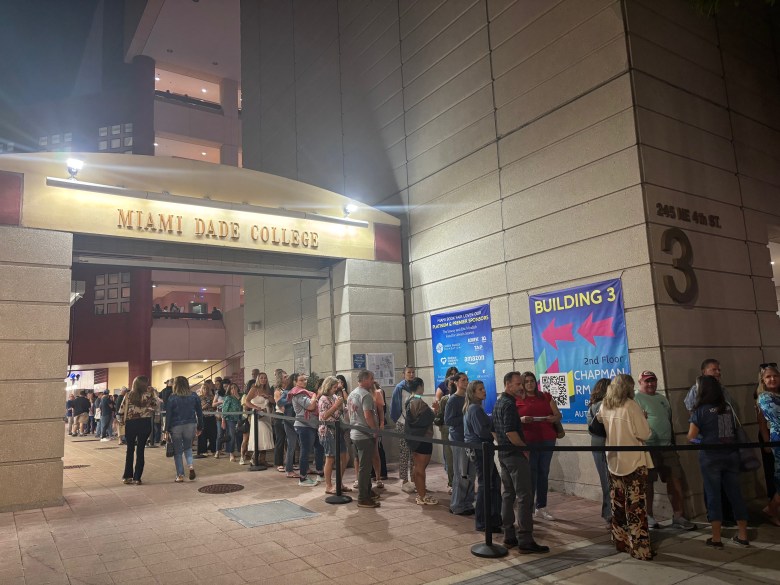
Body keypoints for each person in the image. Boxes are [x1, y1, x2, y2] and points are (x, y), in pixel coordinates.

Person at [689, 375, 750, 548]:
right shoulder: (726, 408)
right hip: (730, 456)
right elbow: (726, 435)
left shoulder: (699, 411)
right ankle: (743, 535)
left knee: (713, 495)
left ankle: (716, 538)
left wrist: (704, 442)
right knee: (735, 494)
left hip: (710, 458)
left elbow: (691, 437)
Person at [597, 374, 653, 560]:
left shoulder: (605, 405)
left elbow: (598, 421)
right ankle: (640, 548)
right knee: (636, 507)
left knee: (618, 504)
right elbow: (644, 433)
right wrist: (643, 419)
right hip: (634, 462)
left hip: (614, 461)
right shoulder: (631, 406)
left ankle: (620, 541)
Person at [493, 371, 549, 553]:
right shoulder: (509, 404)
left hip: (503, 453)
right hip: (514, 455)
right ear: (508, 385)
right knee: (524, 496)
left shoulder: (498, 402)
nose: (521, 387)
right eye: (518, 384)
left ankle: (509, 535)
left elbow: (494, 430)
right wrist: (524, 448)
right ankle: (525, 539)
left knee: (508, 494)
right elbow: (510, 432)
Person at [633, 370, 696, 530]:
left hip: (667, 447)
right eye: (647, 381)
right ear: (640, 382)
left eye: (653, 381)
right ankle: (648, 516)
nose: (650, 384)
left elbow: (668, 419)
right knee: (648, 484)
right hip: (648, 448)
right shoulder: (635, 399)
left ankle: (678, 516)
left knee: (675, 480)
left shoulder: (662, 399)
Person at [516, 371, 561, 521]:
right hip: (529, 440)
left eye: (532, 381)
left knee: (543, 472)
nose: (530, 384)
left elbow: (558, 415)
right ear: (522, 383)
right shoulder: (517, 399)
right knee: (531, 473)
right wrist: (521, 419)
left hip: (547, 438)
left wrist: (552, 418)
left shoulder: (545, 396)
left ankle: (541, 506)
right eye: (527, 381)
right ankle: (528, 507)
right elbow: (512, 419)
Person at [464, 379, 502, 533]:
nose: (484, 391)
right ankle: (483, 521)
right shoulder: (475, 409)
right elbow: (482, 432)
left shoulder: (474, 408)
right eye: (480, 389)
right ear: (473, 393)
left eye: (484, 388)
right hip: (480, 450)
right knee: (486, 485)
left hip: (481, 449)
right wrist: (493, 436)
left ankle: (491, 519)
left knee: (492, 482)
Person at [118, 376, 159, 485]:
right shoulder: (149, 395)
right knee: (141, 450)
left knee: (130, 450)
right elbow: (156, 407)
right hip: (145, 423)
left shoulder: (128, 395)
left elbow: (121, 410)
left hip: (131, 424)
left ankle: (127, 476)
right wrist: (153, 393)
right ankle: (137, 478)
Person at [348, 369, 380, 507]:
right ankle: (363, 497)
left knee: (363, 465)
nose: (373, 381)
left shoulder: (352, 393)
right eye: (371, 378)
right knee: (365, 468)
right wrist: (374, 431)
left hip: (354, 433)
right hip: (364, 435)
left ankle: (367, 491)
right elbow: (368, 416)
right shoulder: (366, 395)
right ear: (365, 379)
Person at [405, 377, 439, 506]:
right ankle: (422, 495)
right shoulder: (418, 401)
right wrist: (435, 410)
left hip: (414, 438)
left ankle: (421, 493)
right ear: (420, 386)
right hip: (422, 438)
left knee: (417, 466)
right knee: (420, 467)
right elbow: (426, 419)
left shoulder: (409, 400)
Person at [445, 372, 475, 516]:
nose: (466, 382)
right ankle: (457, 504)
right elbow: (449, 420)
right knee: (461, 473)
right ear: (456, 382)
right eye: (463, 380)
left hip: (470, 439)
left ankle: (468, 502)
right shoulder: (453, 400)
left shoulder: (469, 398)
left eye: (467, 380)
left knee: (470, 473)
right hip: (458, 439)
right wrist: (466, 417)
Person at [164, 376, 204, 482]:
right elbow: (199, 413)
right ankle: (191, 466)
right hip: (190, 424)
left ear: (175, 385)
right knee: (188, 448)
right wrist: (200, 426)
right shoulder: (194, 396)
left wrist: (166, 430)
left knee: (178, 452)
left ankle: (180, 475)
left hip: (176, 426)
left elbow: (169, 415)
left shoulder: (172, 397)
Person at [289, 373, 324, 486]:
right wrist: (314, 396)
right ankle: (303, 478)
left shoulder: (304, 393)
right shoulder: (298, 394)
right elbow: (311, 406)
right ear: (295, 382)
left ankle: (320, 473)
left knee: (319, 448)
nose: (304, 382)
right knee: (305, 452)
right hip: (304, 426)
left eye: (305, 380)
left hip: (312, 425)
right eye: (301, 380)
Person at [586, 378, 612, 529]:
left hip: (598, 447)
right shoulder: (602, 406)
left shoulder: (593, 405)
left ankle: (609, 514)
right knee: (608, 482)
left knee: (606, 481)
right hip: (603, 446)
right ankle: (609, 514)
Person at [757, 364, 780, 526]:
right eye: (768, 377)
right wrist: (766, 441)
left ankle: (772, 508)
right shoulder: (765, 398)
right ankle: (771, 508)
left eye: (775, 376)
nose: (772, 379)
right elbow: (769, 420)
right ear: (763, 381)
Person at [318, 376, 349, 494]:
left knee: (345, 457)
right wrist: (336, 406)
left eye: (337, 387)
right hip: (327, 431)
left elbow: (341, 411)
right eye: (334, 387)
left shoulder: (335, 396)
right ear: (328, 386)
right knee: (330, 458)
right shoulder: (323, 399)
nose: (336, 389)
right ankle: (328, 485)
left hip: (338, 429)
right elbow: (324, 416)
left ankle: (339, 483)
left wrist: (342, 406)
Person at [390, 366, 417, 494]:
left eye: (413, 372)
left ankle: (414, 479)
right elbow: (395, 407)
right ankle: (404, 480)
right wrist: (401, 421)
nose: (411, 374)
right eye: (409, 372)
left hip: (414, 424)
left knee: (414, 453)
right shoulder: (399, 388)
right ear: (403, 374)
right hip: (403, 423)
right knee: (404, 452)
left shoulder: (416, 386)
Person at [435, 366, 458, 493]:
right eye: (450, 382)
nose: (452, 384)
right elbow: (439, 417)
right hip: (448, 431)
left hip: (461, 433)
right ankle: (451, 482)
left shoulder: (466, 398)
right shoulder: (445, 399)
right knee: (450, 458)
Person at [245, 376, 274, 466]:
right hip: (258, 416)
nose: (264, 379)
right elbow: (247, 401)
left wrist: (268, 396)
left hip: (266, 415)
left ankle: (262, 460)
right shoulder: (254, 389)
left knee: (265, 436)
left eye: (265, 378)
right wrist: (257, 408)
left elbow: (273, 401)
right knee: (259, 436)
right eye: (261, 378)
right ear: (258, 379)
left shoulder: (268, 390)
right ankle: (254, 458)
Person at [272, 369, 289, 471]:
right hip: (280, 416)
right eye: (285, 377)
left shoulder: (289, 389)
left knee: (290, 441)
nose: (287, 378)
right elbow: (280, 405)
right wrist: (288, 413)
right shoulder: (278, 391)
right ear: (280, 379)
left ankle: (290, 461)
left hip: (288, 416)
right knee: (280, 440)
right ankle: (279, 463)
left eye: (287, 376)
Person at [221, 383, 242, 462]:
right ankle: (231, 453)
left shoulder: (240, 397)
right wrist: (223, 421)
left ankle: (241, 451)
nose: (233, 389)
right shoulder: (228, 398)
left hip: (239, 419)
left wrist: (238, 397)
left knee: (240, 435)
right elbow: (224, 409)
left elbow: (243, 405)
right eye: (232, 388)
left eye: (235, 388)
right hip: (230, 419)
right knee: (232, 436)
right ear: (229, 390)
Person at [197, 380, 217, 457]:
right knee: (202, 435)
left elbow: (215, 407)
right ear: (201, 389)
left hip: (211, 417)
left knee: (213, 434)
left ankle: (213, 449)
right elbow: (198, 408)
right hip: (203, 418)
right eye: (204, 389)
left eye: (207, 389)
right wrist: (204, 407)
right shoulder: (199, 397)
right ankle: (203, 450)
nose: (205, 390)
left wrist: (213, 405)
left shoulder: (212, 397)